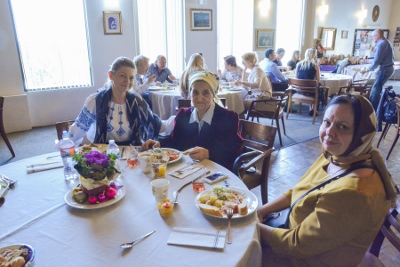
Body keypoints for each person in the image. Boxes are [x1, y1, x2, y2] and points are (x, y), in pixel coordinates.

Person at [257, 94, 398, 267]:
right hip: (293, 238)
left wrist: (251, 226)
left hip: (305, 259)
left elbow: (294, 245)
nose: (329, 132)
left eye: (343, 127)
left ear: (361, 135)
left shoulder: (353, 193)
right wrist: (260, 212)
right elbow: (297, 191)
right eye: (327, 122)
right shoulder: (336, 156)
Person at [144, 71, 243, 171]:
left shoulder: (228, 117)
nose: (200, 98)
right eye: (195, 92)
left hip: (218, 171)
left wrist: (209, 153)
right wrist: (159, 144)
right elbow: (175, 140)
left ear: (213, 94)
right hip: (188, 169)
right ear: (190, 94)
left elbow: (235, 148)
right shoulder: (183, 115)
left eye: (205, 93)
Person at [67, 57, 162, 146]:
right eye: (123, 76)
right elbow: (77, 130)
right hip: (101, 155)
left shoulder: (137, 101)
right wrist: (66, 147)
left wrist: (175, 122)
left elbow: (154, 123)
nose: (127, 81)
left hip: (132, 154)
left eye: (131, 78)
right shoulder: (95, 101)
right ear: (111, 75)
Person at [361, 29, 395, 110]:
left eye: (373, 36)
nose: (372, 38)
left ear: (378, 36)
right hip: (388, 68)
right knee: (375, 88)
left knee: (375, 91)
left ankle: (372, 111)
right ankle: (375, 109)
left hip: (385, 70)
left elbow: (376, 62)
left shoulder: (381, 44)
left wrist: (366, 70)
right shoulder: (386, 42)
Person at [295, 48, 322, 115]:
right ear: (313, 55)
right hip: (311, 91)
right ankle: (313, 109)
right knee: (319, 87)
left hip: (299, 89)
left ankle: (311, 108)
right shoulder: (315, 66)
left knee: (312, 86)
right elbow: (318, 81)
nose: (316, 56)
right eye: (316, 54)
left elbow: (296, 78)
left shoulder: (298, 64)